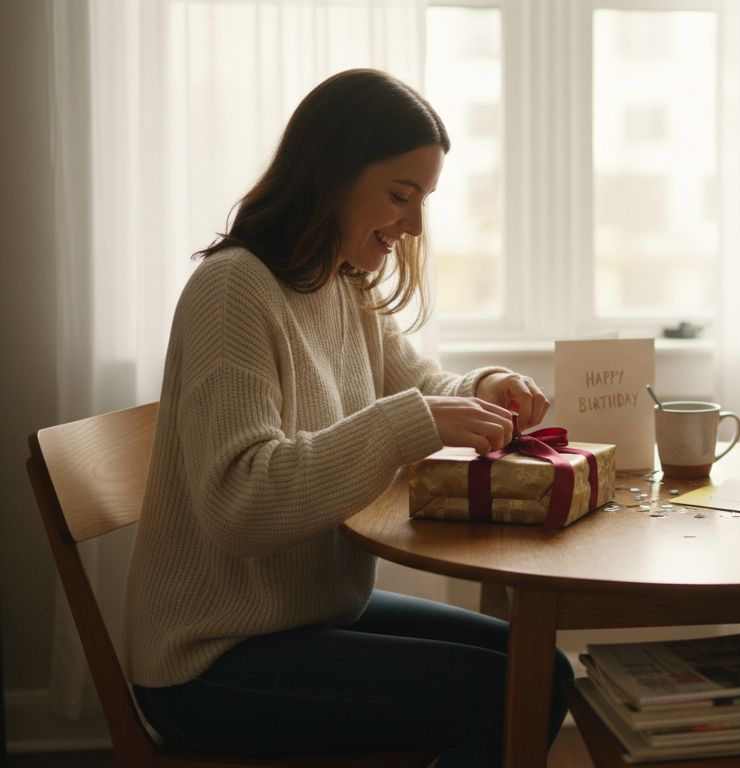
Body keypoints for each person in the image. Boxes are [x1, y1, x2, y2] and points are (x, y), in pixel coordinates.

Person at [124, 69, 572, 766]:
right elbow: (240, 504)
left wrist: (487, 386)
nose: (415, 224)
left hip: (308, 617)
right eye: (402, 195)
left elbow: (421, 384)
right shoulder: (233, 291)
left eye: (424, 200)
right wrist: (410, 422)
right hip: (213, 659)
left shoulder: (341, 283)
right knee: (509, 692)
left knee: (546, 672)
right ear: (329, 173)